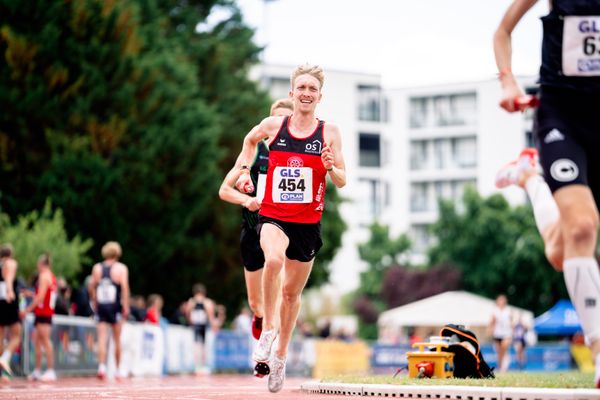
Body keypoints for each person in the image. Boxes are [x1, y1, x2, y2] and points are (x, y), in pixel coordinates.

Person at [494, 0, 600, 386]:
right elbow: (502, 30)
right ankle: (599, 350)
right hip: (562, 117)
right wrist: (507, 79)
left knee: (561, 251)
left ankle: (530, 178)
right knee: (584, 228)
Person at [235, 64, 346, 392]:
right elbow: (248, 141)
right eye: (302, 88)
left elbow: (342, 179)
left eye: (313, 89)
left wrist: (331, 168)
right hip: (274, 215)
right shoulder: (273, 126)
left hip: (308, 223)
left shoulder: (330, 133)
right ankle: (267, 331)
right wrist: (244, 170)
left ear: (320, 96)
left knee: (291, 294)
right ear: (291, 93)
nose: (307, 93)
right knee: (273, 260)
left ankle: (280, 354)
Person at [219, 98, 293, 341]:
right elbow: (224, 190)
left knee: (281, 290)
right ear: (269, 122)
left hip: (280, 228)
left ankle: (273, 350)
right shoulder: (255, 150)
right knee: (255, 302)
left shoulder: (297, 153)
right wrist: (245, 199)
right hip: (252, 229)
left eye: (286, 120)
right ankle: (260, 317)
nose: (281, 124)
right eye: (277, 119)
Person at [89, 241, 130, 380]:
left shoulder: (97, 268)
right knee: (117, 339)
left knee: (102, 338)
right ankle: (118, 370)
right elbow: (124, 288)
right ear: (117, 253)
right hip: (115, 306)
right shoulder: (121, 268)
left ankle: (101, 366)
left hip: (101, 306)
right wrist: (125, 306)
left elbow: (91, 286)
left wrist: (94, 301)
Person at [20, 253, 57, 382]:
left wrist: (27, 310)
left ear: (41, 264)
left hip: (43, 313)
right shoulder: (51, 276)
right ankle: (37, 370)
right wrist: (31, 294)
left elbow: (41, 297)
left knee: (45, 341)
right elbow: (43, 295)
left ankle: (51, 370)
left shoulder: (43, 276)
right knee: (37, 341)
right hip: (44, 312)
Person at [186, 283, 217, 374]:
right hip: (202, 325)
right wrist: (213, 325)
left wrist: (190, 321)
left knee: (198, 346)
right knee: (202, 346)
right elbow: (210, 315)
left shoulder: (192, 301)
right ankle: (201, 366)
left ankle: (198, 366)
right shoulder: (206, 302)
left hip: (197, 325)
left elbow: (187, 313)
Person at [0, 244, 21, 379]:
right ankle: (5, 358)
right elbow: (9, 277)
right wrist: (10, 290)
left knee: (0, 338)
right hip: (8, 300)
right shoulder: (10, 263)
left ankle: (2, 373)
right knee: (17, 335)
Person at [488, 294, 513, 372]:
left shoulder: (508, 310)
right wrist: (490, 330)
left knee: (504, 348)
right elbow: (492, 322)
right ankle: (501, 366)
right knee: (499, 352)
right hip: (497, 334)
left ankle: (504, 366)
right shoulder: (495, 311)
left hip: (506, 334)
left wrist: (512, 330)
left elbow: (512, 321)